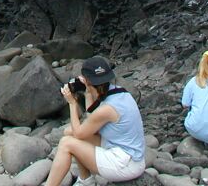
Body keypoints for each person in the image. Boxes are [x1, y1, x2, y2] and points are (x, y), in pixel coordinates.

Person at [46, 56, 146, 186]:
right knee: (68, 132)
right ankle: (86, 180)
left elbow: (80, 133)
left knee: (66, 143)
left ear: (86, 80)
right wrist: (88, 93)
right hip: (128, 153)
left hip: (127, 165)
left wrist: (72, 103)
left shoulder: (107, 109)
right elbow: (91, 120)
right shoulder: (120, 93)